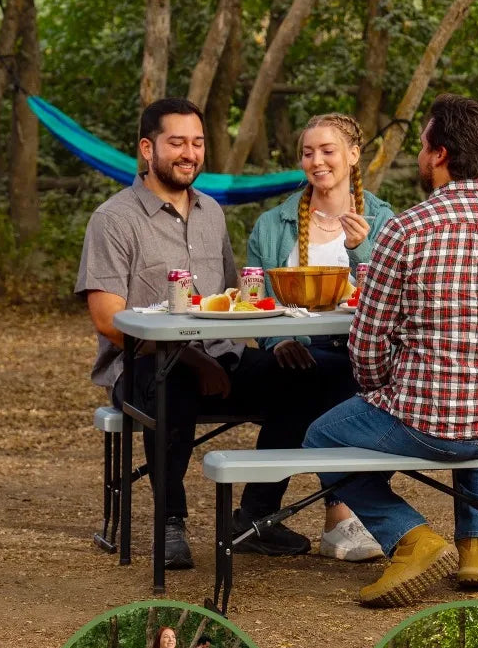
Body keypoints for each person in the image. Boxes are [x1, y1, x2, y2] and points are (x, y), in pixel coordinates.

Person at [303, 94, 478, 607]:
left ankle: (412, 537)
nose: (421, 156)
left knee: (319, 436)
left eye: (423, 146)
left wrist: (384, 387)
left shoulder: (405, 230)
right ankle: (476, 546)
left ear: (440, 154)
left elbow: (368, 342)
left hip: (432, 423)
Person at [75, 97, 323, 569]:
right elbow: (109, 319)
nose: (189, 153)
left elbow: (233, 297)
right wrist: (192, 357)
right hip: (145, 368)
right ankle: (169, 523)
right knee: (175, 384)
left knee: (307, 376)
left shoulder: (211, 213)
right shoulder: (114, 219)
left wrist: (277, 336)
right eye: (176, 143)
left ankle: (255, 518)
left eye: (197, 142)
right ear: (148, 149)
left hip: (223, 359)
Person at [248, 113, 395, 562]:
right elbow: (258, 297)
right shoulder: (274, 225)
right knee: (310, 377)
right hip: (300, 349)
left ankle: (257, 515)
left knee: (348, 379)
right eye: (308, 153)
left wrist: (364, 248)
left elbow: (397, 294)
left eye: (327, 151)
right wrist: (278, 343)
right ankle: (341, 518)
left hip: (360, 352)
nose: (316, 161)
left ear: (353, 156)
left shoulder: (383, 218)